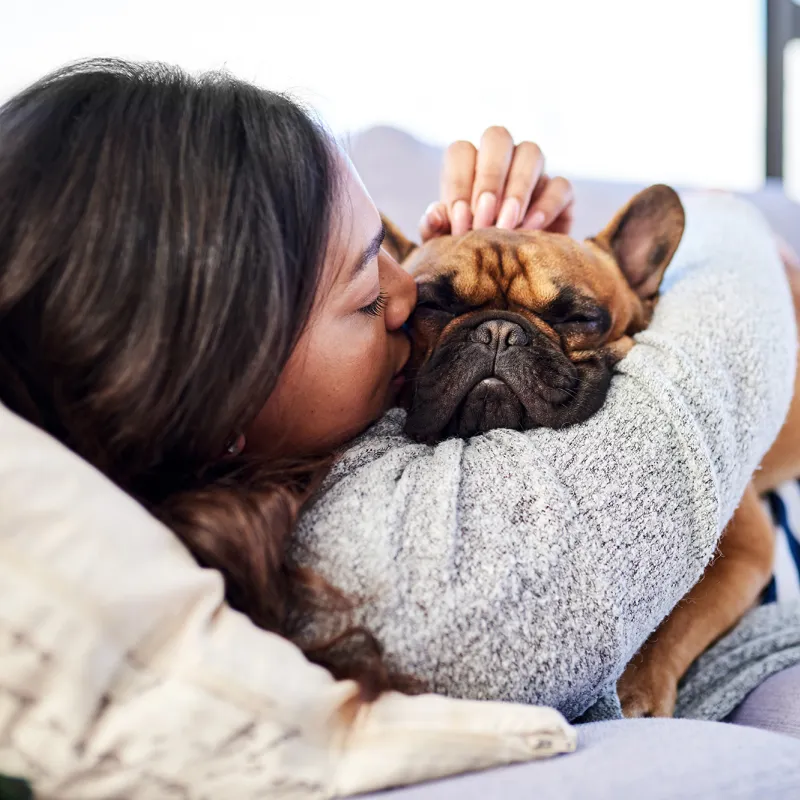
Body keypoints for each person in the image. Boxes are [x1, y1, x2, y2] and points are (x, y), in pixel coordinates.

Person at [2, 58, 800, 795]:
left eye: (401, 270)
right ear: (224, 388)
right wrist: (725, 233)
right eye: (375, 294)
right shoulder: (428, 564)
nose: (404, 300)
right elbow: (731, 270)